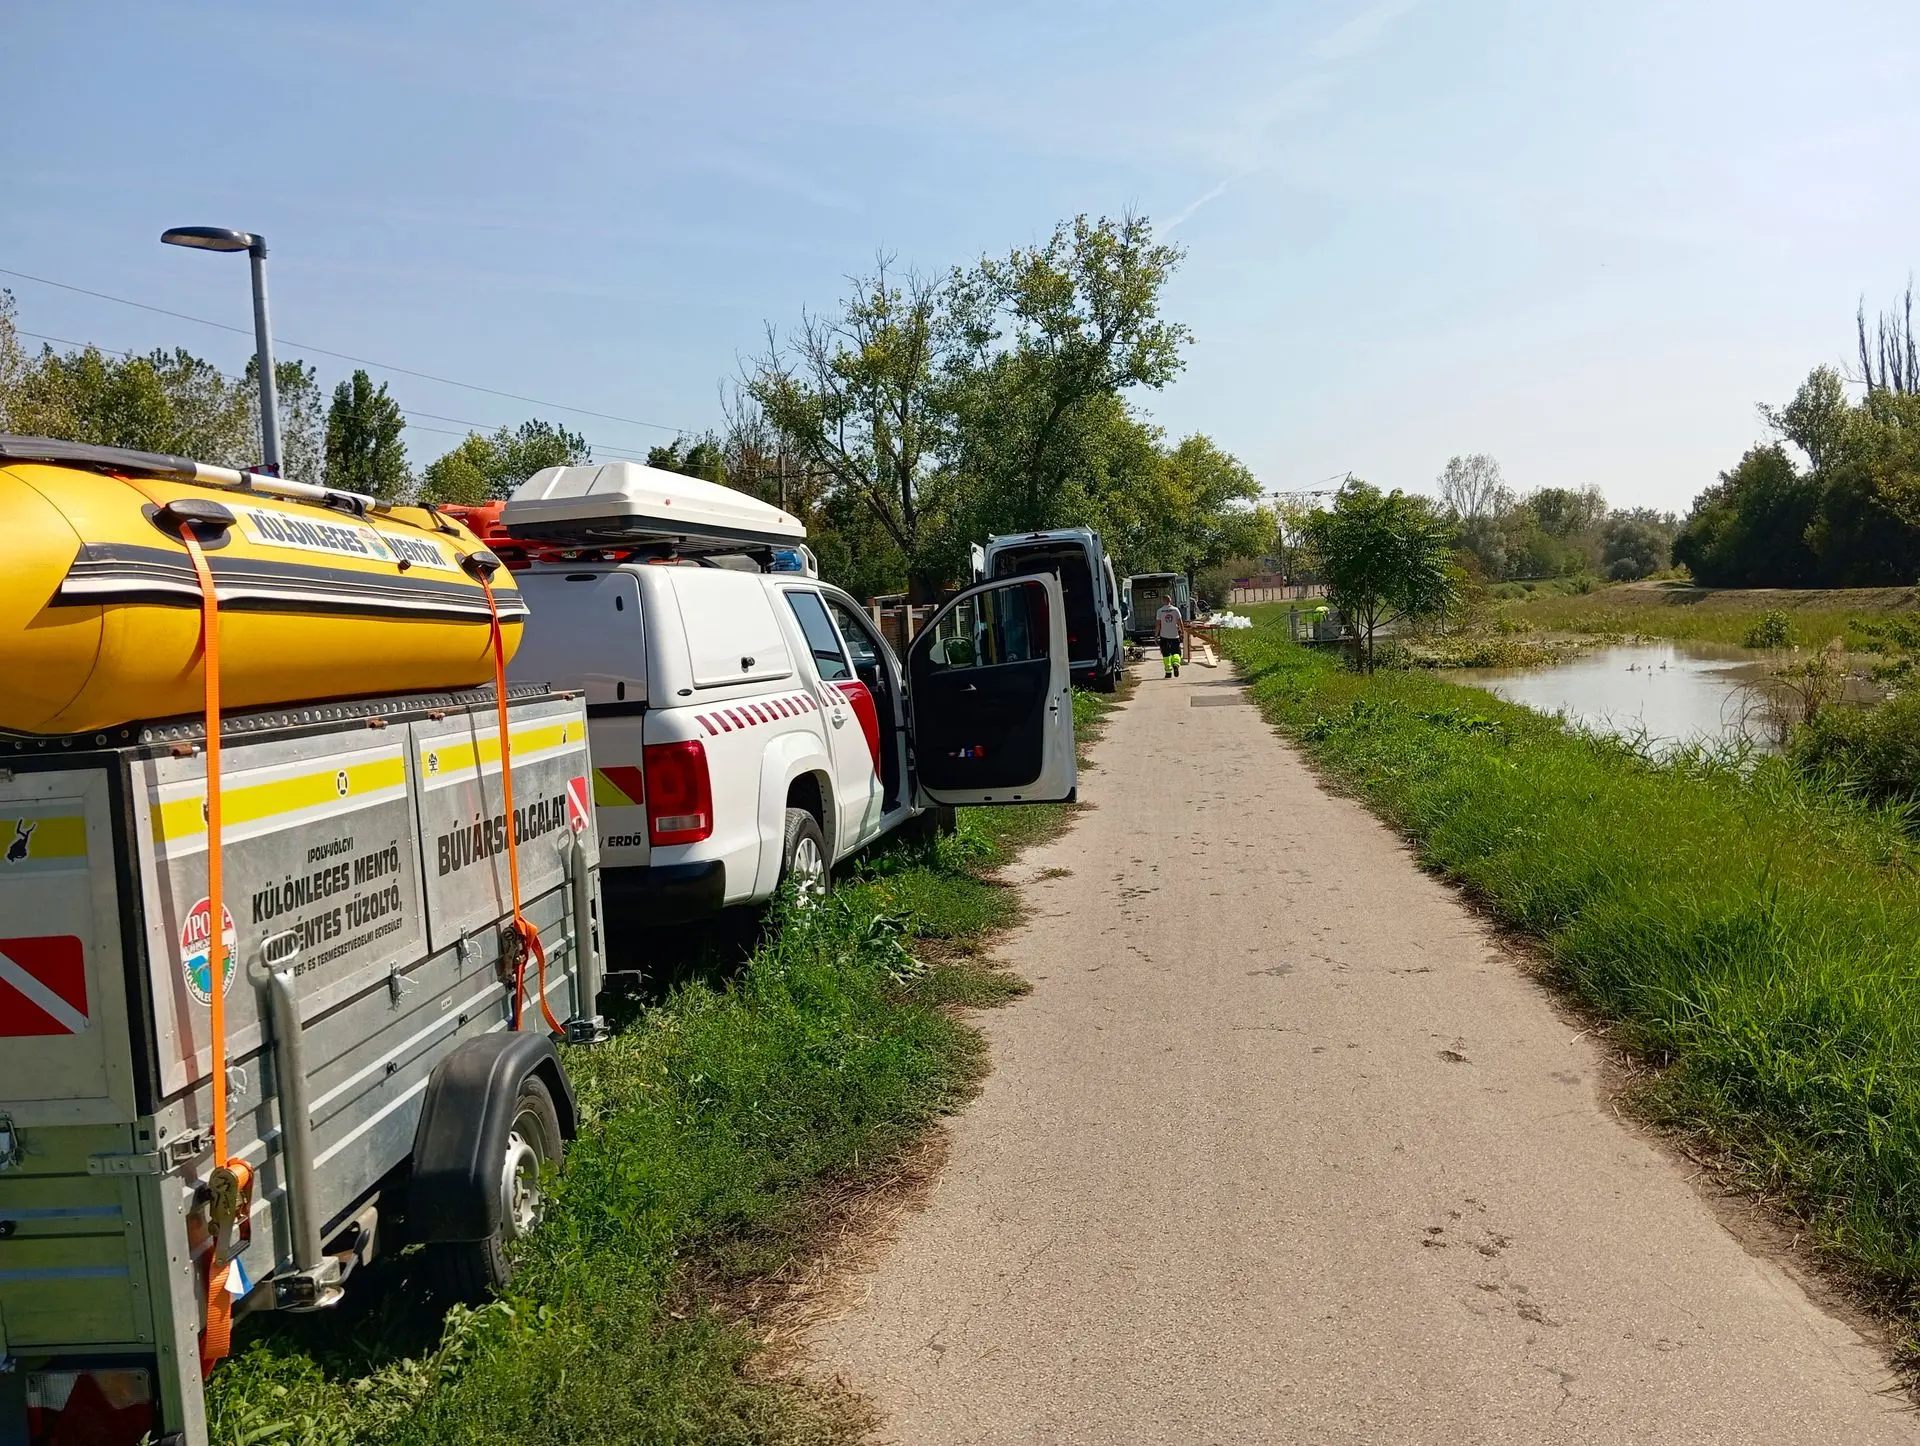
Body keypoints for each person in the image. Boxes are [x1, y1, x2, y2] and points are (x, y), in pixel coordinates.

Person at [1155, 593, 1184, 678]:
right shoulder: (1175, 610)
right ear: (1170, 600)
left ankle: (1168, 672)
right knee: (1176, 652)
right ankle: (1175, 664)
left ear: (1163, 601)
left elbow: (1158, 624)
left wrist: (1156, 636)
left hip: (1164, 636)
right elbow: (1180, 622)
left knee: (1166, 654)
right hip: (1174, 635)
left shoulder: (1160, 611)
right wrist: (1182, 632)